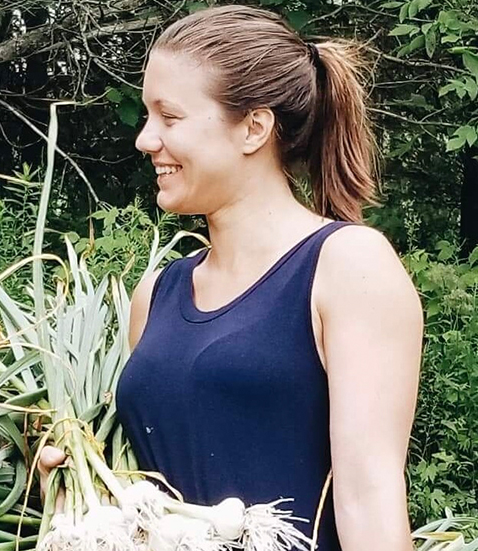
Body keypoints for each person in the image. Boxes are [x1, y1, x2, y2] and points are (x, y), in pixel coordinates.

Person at [43, 5, 423, 551]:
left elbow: (368, 501)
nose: (146, 139)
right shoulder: (157, 293)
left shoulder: (347, 267)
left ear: (253, 127)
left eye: (168, 117)